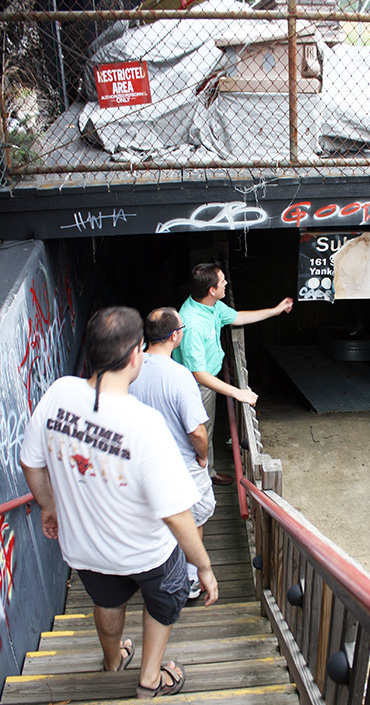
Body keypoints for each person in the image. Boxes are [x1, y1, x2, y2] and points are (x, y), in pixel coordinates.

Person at [20, 306, 218, 700]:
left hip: (85, 550)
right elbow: (176, 514)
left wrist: (49, 506)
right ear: (134, 356)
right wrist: (204, 566)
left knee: (107, 603)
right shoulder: (144, 424)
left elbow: (31, 461)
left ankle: (113, 662)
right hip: (149, 554)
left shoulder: (59, 392)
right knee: (163, 604)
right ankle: (149, 678)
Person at [173, 262, 293, 486]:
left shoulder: (211, 306)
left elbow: (237, 317)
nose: (226, 283)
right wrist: (238, 392)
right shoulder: (192, 323)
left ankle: (205, 472)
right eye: (222, 281)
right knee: (200, 432)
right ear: (212, 290)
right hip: (197, 385)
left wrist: (275, 311)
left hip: (208, 378)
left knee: (203, 429)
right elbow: (198, 374)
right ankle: (203, 477)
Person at [130, 307, 214, 601]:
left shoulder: (131, 368)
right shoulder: (180, 376)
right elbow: (197, 431)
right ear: (175, 336)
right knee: (195, 517)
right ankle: (192, 578)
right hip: (181, 465)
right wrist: (202, 457)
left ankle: (159, 574)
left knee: (157, 519)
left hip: (143, 465)